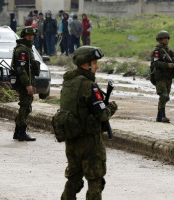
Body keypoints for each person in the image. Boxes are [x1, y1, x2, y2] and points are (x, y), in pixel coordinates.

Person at [60, 46, 118, 200]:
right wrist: (112, 107)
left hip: (72, 140)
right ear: (85, 65)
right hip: (89, 142)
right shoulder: (88, 85)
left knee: (73, 180)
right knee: (95, 181)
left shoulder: (68, 83)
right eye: (94, 63)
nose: (97, 66)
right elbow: (103, 115)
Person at [11, 27, 40, 141]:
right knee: (25, 107)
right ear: (24, 36)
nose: (31, 37)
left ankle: (17, 132)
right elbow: (21, 69)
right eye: (28, 35)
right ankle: (21, 132)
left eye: (33, 35)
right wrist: (28, 85)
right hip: (23, 82)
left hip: (27, 81)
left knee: (25, 106)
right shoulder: (23, 50)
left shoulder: (28, 48)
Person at [151, 30, 174, 123]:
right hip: (160, 77)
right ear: (160, 40)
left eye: (167, 38)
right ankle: (162, 116)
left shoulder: (169, 51)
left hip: (168, 77)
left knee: (166, 96)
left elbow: (173, 61)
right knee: (164, 96)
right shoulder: (157, 51)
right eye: (165, 39)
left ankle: (159, 117)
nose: (167, 40)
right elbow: (155, 63)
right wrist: (169, 65)